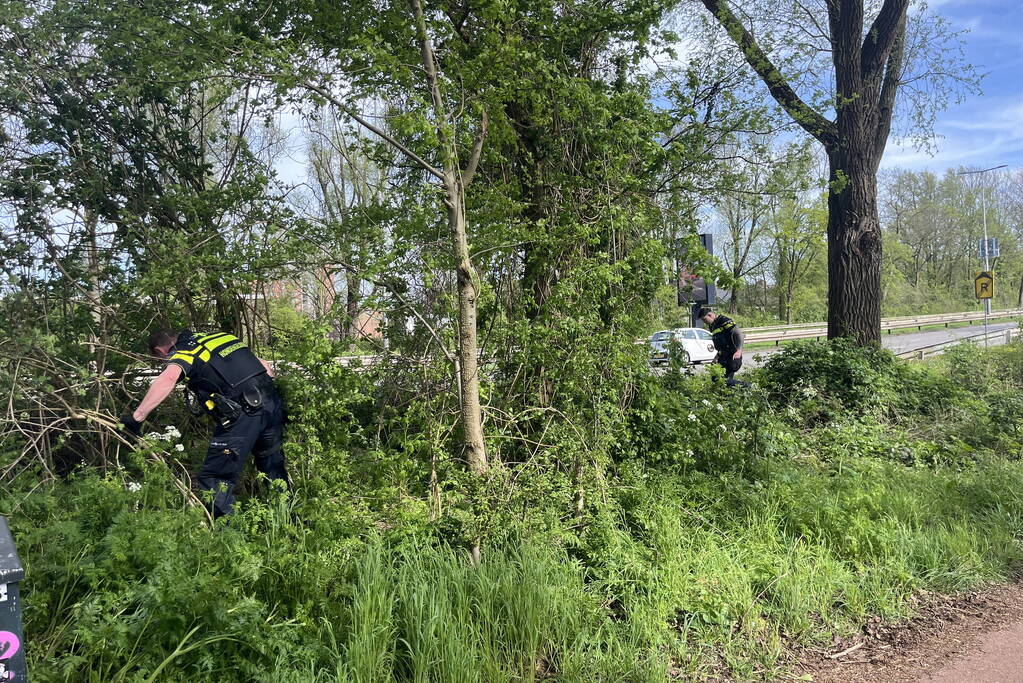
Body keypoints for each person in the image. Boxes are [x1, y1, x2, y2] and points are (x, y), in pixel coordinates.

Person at [121, 329, 288, 517]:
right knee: (272, 464)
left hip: (244, 411)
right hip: (271, 404)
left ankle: (229, 538)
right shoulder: (220, 337)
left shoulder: (185, 351)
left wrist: (137, 417)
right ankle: (287, 520)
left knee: (214, 479)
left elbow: (168, 378)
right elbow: (264, 366)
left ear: (160, 351)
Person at [697, 307, 746, 386]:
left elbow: (739, 334)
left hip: (733, 355)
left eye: (704, 320)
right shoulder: (712, 326)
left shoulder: (724, 321)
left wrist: (739, 350)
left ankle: (747, 386)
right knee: (715, 378)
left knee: (725, 380)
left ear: (710, 315)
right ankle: (726, 395)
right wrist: (717, 355)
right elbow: (720, 342)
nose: (704, 322)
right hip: (723, 355)